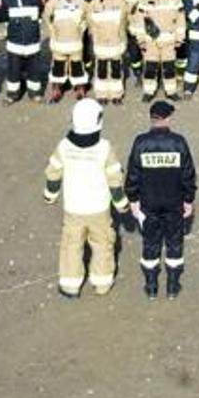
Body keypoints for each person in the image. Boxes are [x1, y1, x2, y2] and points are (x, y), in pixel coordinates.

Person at [43, 98, 129, 298]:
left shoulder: (64, 146)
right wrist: (121, 203)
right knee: (102, 244)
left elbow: (53, 172)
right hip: (99, 208)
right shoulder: (105, 148)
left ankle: (70, 284)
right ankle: (102, 282)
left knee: (71, 245)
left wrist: (50, 195)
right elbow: (114, 179)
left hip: (74, 207)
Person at [126, 100, 197, 299]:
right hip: (174, 203)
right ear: (168, 118)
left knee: (150, 244)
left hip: (148, 203)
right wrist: (188, 199)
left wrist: (133, 199)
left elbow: (133, 174)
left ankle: (151, 287)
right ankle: (173, 286)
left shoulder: (140, 142)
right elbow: (188, 174)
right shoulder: (178, 142)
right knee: (174, 244)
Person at [134, 0, 186, 101]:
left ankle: (171, 91)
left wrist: (180, 38)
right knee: (150, 67)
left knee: (169, 68)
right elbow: (140, 21)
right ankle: (148, 92)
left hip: (169, 40)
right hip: (151, 40)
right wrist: (141, 39)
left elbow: (180, 19)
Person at [0, 0, 48, 103]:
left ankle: (35, 93)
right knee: (14, 71)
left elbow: (40, 13)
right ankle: (13, 95)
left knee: (34, 70)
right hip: (15, 43)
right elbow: (3, 15)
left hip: (32, 43)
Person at [45, 0, 90, 103]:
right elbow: (47, 18)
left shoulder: (81, 2)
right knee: (58, 69)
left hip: (75, 43)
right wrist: (53, 32)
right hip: (59, 44)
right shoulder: (53, 3)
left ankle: (80, 90)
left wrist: (82, 28)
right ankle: (56, 91)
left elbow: (88, 16)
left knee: (77, 68)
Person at [88, 0, 130, 103]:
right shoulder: (93, 5)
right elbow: (91, 25)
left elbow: (125, 23)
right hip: (100, 44)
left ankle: (116, 95)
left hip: (116, 43)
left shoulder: (120, 4)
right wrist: (95, 38)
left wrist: (123, 40)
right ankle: (102, 95)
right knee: (101, 70)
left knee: (116, 71)